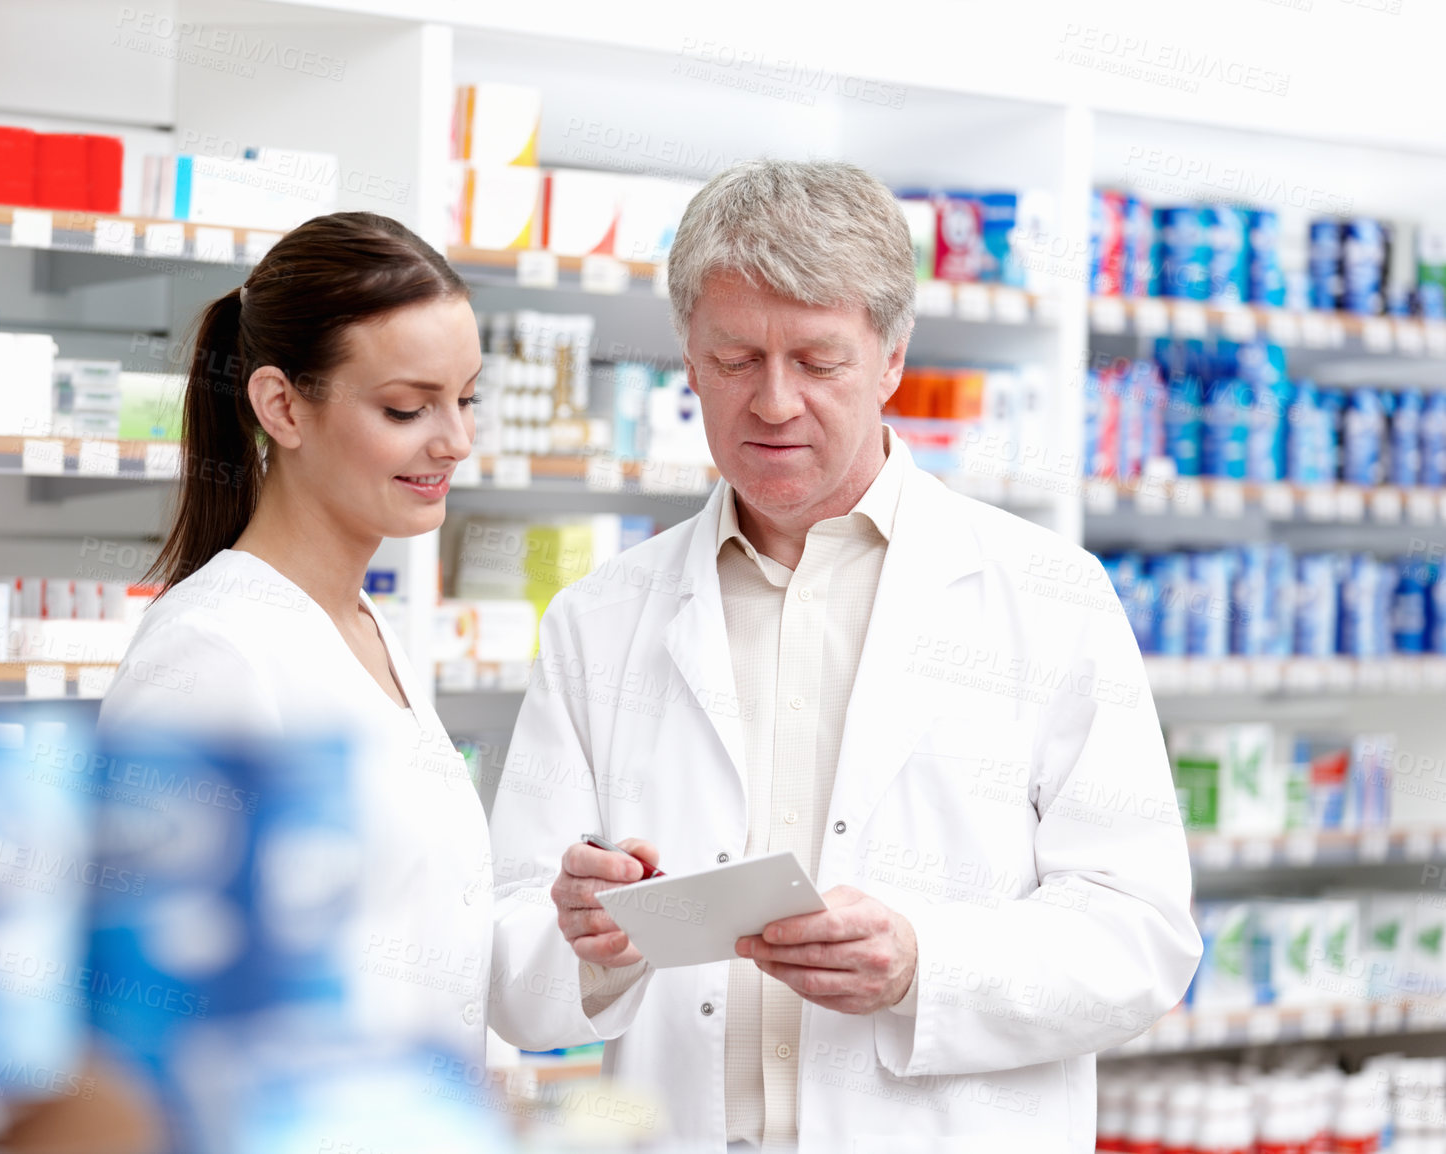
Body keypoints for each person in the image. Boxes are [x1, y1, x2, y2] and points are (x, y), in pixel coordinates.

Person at [487, 161, 1202, 1152]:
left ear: (891, 359)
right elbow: (516, 958)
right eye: (734, 358)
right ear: (687, 360)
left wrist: (924, 963)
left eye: (817, 360)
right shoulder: (598, 618)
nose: (773, 402)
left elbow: (1141, 937)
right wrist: (586, 939)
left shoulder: (1048, 594)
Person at [99, 212, 494, 1061]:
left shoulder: (364, 627)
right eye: (406, 407)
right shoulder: (211, 652)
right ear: (281, 405)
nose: (456, 441)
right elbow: (159, 1003)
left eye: (466, 400)